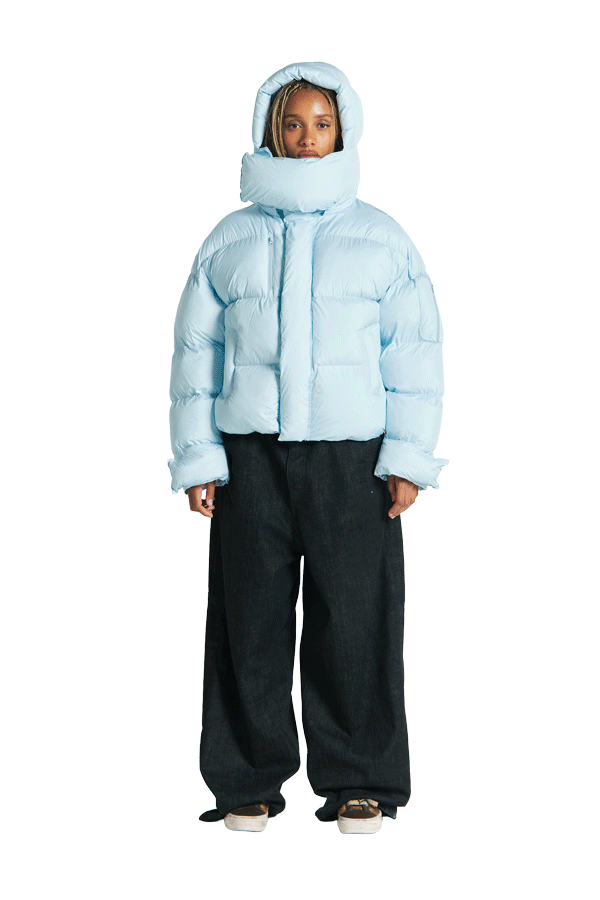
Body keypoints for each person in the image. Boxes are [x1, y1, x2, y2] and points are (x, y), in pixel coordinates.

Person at [167, 61, 449, 834]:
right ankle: (246, 780)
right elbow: (196, 357)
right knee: (248, 619)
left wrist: (407, 459)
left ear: (342, 130)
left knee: (355, 619)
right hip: (250, 457)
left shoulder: (381, 239)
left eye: (321, 124)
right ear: (271, 130)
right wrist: (199, 459)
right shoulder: (230, 240)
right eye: (292, 124)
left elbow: (414, 355)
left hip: (352, 460)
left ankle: (361, 778)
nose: (306, 138)